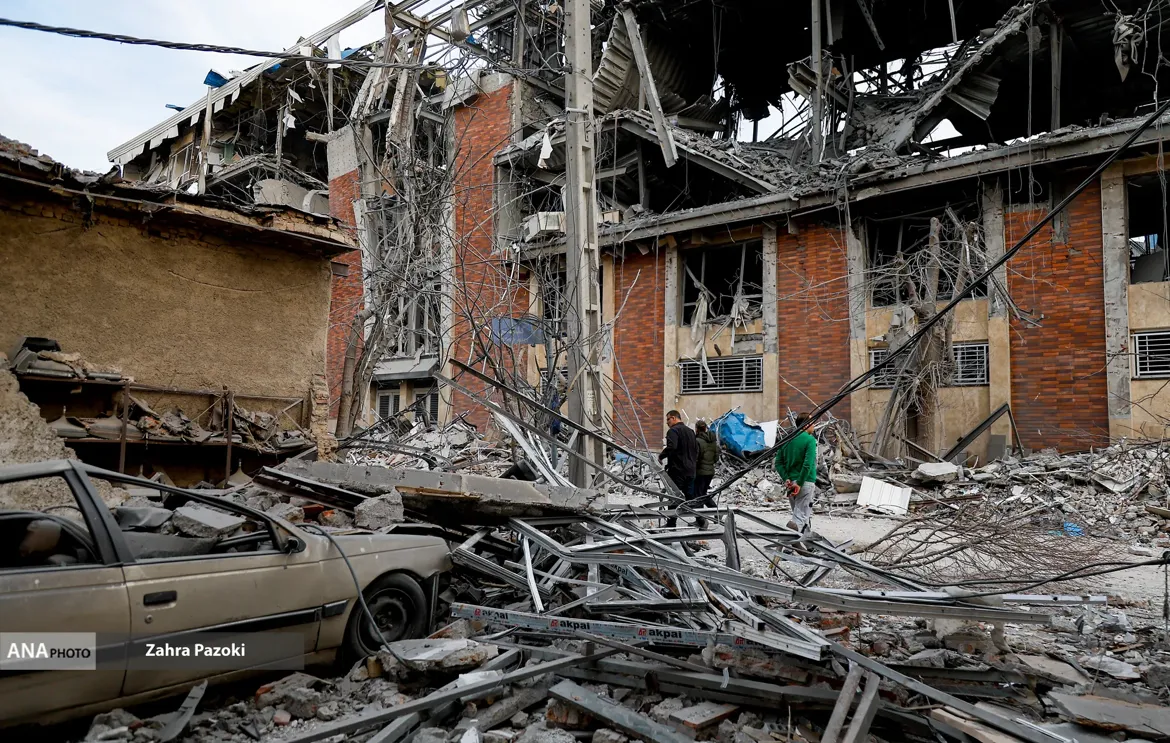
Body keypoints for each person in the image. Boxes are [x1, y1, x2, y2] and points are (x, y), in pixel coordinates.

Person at [773, 413, 817, 534]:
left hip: (791, 484)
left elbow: (778, 463)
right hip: (805, 483)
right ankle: (787, 541)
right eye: (812, 422)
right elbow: (807, 464)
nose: (814, 425)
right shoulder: (810, 440)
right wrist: (800, 483)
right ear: (806, 424)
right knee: (800, 518)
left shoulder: (787, 439)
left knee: (800, 515)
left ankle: (807, 541)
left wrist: (786, 478)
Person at [659, 410, 697, 526]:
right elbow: (696, 449)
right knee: (690, 497)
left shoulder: (673, 431)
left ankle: (671, 524)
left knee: (674, 496)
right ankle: (701, 519)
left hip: (678, 470)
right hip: (691, 469)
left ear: (674, 418)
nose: (667, 422)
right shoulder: (690, 431)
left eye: (668, 419)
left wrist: (661, 456)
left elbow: (672, 447)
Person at [693, 420, 719, 528]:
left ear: (697, 429)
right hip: (710, 471)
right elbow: (716, 458)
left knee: (697, 496)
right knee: (703, 493)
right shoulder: (713, 441)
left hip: (700, 472)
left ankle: (701, 520)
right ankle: (717, 512)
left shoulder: (697, 441)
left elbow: (696, 458)